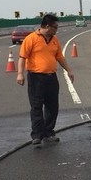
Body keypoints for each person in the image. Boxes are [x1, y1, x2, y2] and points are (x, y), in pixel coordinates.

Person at [16, 14, 74, 146]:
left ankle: (48, 132)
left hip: (51, 77)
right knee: (36, 106)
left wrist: (69, 70)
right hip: (36, 78)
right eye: (55, 27)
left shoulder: (54, 40)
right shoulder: (31, 39)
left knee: (52, 106)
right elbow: (22, 57)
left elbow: (60, 57)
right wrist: (20, 74)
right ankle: (37, 135)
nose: (56, 30)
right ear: (47, 26)